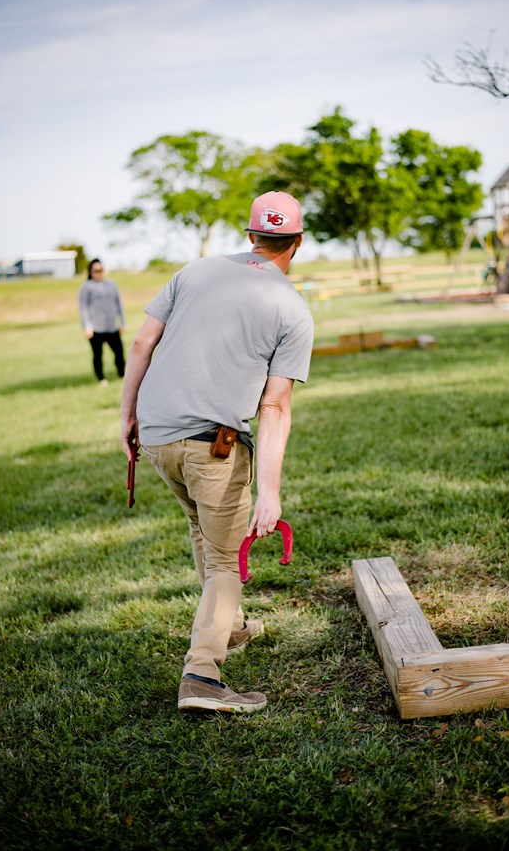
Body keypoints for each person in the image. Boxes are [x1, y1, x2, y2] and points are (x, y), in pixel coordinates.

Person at [120, 191, 314, 714]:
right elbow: (274, 406)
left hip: (159, 437)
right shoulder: (292, 308)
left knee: (202, 531)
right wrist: (269, 492)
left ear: (251, 235)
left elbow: (141, 345)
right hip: (215, 444)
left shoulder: (194, 271)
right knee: (226, 558)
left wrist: (128, 415)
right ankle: (202, 674)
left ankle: (228, 623)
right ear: (296, 241)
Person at [79, 258, 126, 386]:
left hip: (111, 327)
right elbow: (83, 308)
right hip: (96, 328)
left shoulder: (112, 285)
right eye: (95, 270)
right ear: (90, 272)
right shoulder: (86, 287)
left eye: (101, 270)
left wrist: (122, 322)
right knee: (98, 355)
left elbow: (119, 304)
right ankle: (101, 378)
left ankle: (122, 374)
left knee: (119, 353)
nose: (98, 273)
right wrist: (87, 326)